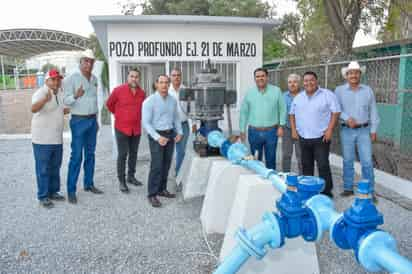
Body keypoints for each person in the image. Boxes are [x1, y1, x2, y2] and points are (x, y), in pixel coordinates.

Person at [289, 71, 340, 198]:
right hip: (304, 137)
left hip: (321, 137)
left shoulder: (327, 95)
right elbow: (292, 114)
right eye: (306, 81)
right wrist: (294, 130)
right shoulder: (298, 97)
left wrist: (329, 130)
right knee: (307, 165)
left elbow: (336, 112)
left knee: (323, 165)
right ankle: (309, 191)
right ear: (303, 83)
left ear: (316, 81)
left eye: (311, 80)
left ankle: (326, 192)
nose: (308, 83)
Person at [335, 61, 380, 201]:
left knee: (366, 162)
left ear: (360, 74)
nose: (353, 75)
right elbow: (336, 109)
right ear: (346, 76)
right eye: (350, 73)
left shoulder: (368, 90)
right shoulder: (339, 90)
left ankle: (370, 191)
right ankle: (348, 188)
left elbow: (373, 111)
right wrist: (346, 118)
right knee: (348, 160)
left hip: (364, 130)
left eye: (356, 72)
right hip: (346, 130)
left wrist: (373, 130)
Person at [63, 49, 103, 204]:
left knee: (91, 154)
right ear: (80, 62)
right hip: (78, 121)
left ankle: (89, 184)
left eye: (91, 61)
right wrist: (75, 96)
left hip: (92, 120)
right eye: (86, 60)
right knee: (77, 156)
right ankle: (71, 190)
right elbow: (66, 101)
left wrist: (97, 120)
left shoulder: (94, 78)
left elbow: (95, 100)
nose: (89, 63)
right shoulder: (70, 79)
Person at [142, 75, 183, 208]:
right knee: (157, 165)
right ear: (156, 84)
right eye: (161, 82)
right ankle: (152, 194)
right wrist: (157, 137)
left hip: (170, 134)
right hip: (156, 135)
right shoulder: (149, 101)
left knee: (166, 164)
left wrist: (179, 132)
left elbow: (176, 118)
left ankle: (162, 189)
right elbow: (146, 123)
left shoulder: (172, 100)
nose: (164, 85)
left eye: (166, 83)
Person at [31, 69, 69, 208]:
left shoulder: (59, 92)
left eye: (58, 79)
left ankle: (53, 192)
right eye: (53, 79)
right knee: (43, 168)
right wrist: (44, 100)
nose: (56, 81)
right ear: (47, 80)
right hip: (42, 139)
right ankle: (43, 196)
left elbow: (62, 109)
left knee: (55, 166)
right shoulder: (41, 92)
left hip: (56, 138)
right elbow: (33, 108)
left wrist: (76, 102)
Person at [106, 68, 145, 193]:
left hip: (136, 129)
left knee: (134, 154)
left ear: (139, 79)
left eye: (136, 77)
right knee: (123, 154)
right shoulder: (118, 91)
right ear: (128, 78)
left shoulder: (142, 93)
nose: (134, 79)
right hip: (121, 128)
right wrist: (119, 115)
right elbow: (109, 104)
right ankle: (121, 181)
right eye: (132, 76)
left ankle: (131, 177)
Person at [239, 68, 286, 170]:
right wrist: (242, 130)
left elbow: (282, 110)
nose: (260, 78)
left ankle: (271, 183)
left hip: (271, 132)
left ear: (267, 77)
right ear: (254, 78)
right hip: (254, 132)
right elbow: (244, 113)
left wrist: (281, 126)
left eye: (262, 76)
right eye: (257, 76)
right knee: (255, 160)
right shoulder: (249, 93)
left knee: (271, 160)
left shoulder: (276, 91)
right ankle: (256, 182)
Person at [168, 68, 189, 176]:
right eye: (174, 75)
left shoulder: (185, 90)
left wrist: (194, 123)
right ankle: (165, 174)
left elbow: (192, 107)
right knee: (168, 152)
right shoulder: (166, 91)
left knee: (181, 151)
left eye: (178, 75)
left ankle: (178, 173)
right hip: (169, 126)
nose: (176, 77)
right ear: (170, 77)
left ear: (181, 77)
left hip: (183, 125)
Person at [282, 74, 302, 173]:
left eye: (295, 82)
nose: (292, 84)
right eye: (290, 82)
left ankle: (303, 177)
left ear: (299, 83)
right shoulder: (283, 96)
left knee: (301, 155)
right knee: (286, 154)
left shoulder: (304, 95)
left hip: (301, 130)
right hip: (287, 129)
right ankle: (285, 176)